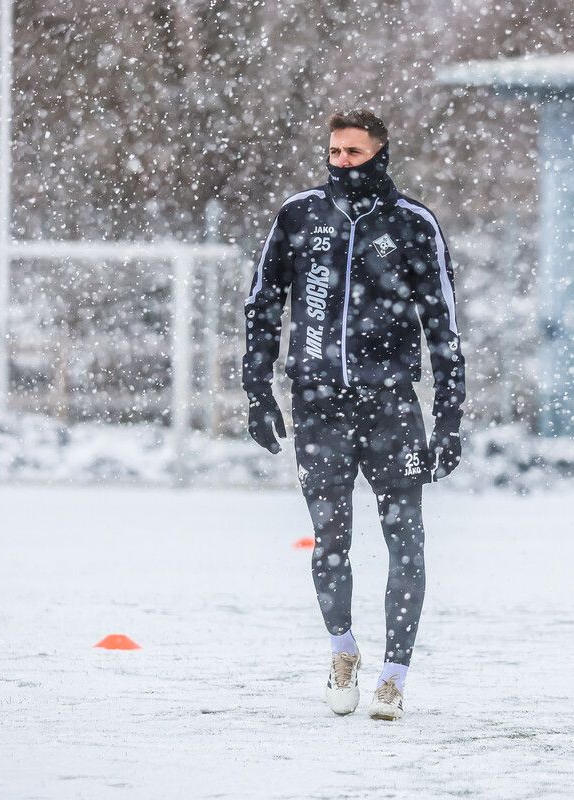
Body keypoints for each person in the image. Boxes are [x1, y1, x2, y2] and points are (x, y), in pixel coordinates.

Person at [242, 109, 465, 721]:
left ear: (381, 154)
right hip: (318, 407)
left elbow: (443, 326)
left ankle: (395, 676)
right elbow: (263, 304)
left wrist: (449, 421)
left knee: (406, 542)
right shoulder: (299, 215)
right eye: (335, 152)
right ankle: (343, 651)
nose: (342, 162)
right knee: (330, 539)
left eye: (354, 153)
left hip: (391, 407)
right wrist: (257, 390)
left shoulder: (413, 223)